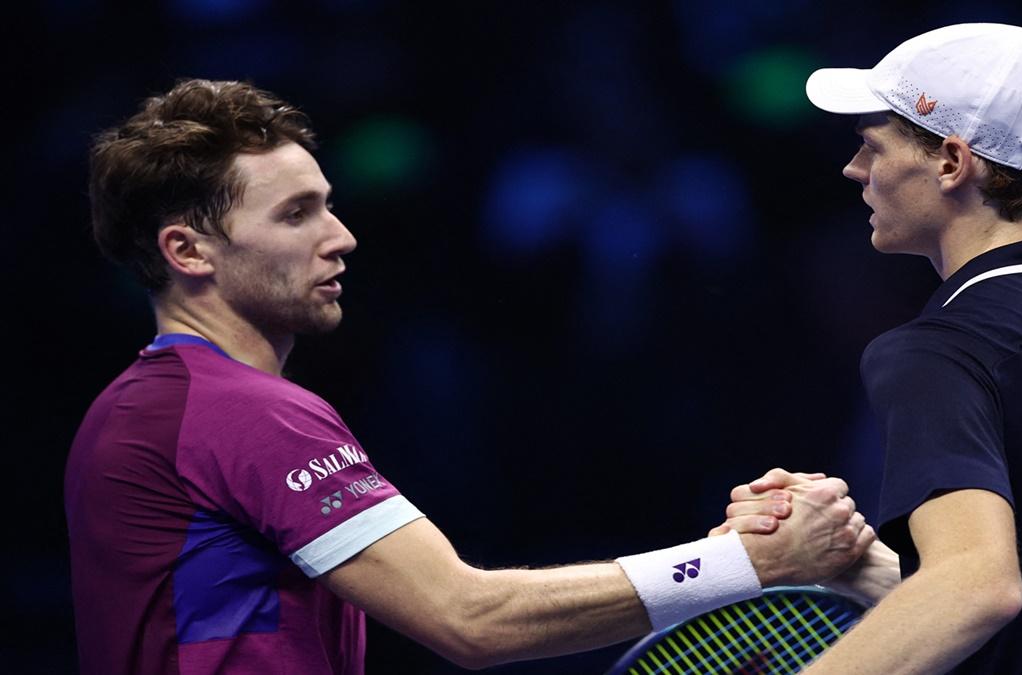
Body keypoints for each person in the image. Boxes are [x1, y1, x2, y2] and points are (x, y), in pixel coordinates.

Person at [64, 78, 875, 674]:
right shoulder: (239, 412)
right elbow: (470, 616)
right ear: (187, 251)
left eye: (329, 203)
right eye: (294, 214)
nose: (342, 236)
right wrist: (745, 562)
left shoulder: (139, 407)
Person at [723, 22, 1022, 673]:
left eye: (872, 146)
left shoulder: (938, 351)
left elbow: (977, 589)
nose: (855, 169)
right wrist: (863, 568)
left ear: (952, 162)